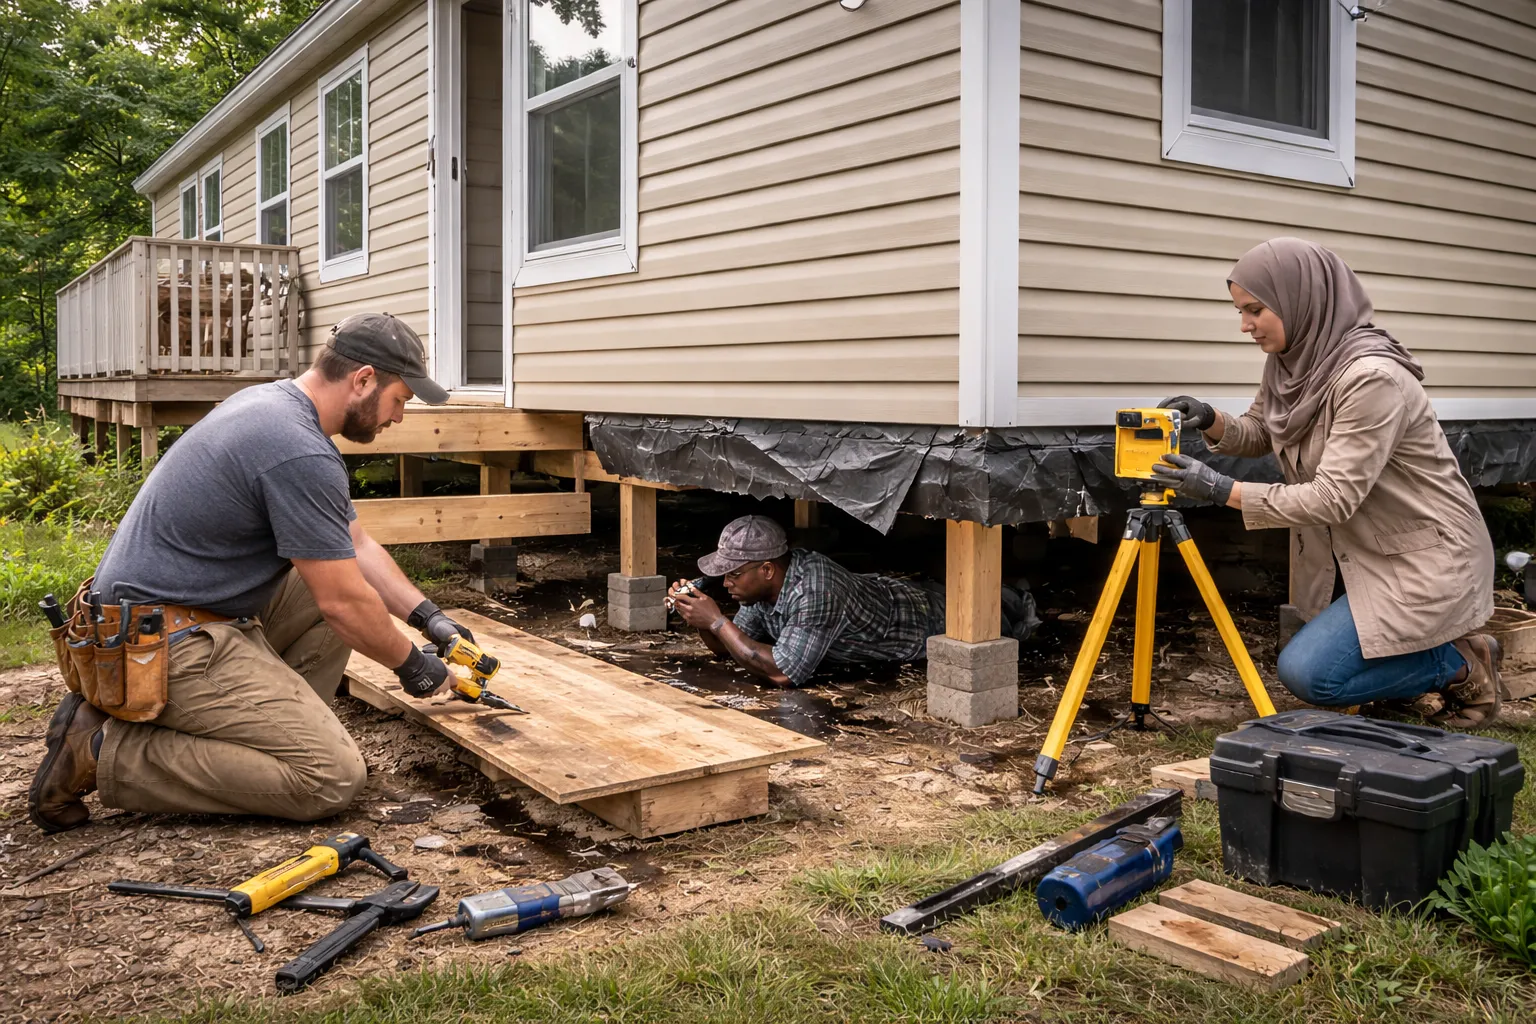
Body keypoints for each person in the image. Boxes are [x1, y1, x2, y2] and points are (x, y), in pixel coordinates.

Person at [29, 313, 472, 834]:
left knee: (335, 580)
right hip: (161, 642)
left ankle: (274, 733)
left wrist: (430, 620)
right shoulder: (298, 448)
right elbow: (344, 604)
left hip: (159, 618)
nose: (398, 416)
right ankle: (102, 749)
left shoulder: (274, 406)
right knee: (330, 777)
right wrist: (413, 667)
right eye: (401, 399)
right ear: (364, 379)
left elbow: (354, 545)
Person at [1151, 237, 1501, 726]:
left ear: (1301, 300)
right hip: (1363, 550)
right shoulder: (1294, 360)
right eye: (1240, 311)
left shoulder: (1370, 378)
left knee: (1312, 675)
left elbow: (1333, 498)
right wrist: (1210, 418)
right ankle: (1414, 667)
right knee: (1329, 662)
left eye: (1255, 310)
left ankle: (1463, 663)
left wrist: (1219, 489)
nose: (1245, 325)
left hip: (1423, 557)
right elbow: (1261, 432)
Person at [669, 515, 1037, 687]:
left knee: (1004, 614)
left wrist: (717, 620)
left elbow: (782, 671)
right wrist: (698, 616)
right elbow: (731, 649)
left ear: (767, 569)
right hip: (891, 597)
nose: (726, 582)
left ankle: (1021, 591)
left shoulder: (815, 591)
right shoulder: (760, 588)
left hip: (924, 620)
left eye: (733, 574)